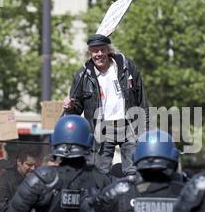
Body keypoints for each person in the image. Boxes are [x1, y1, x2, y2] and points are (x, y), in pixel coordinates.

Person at [62, 34, 149, 178]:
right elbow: (76, 110)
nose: (99, 54)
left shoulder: (127, 67)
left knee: (133, 172)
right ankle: (102, 200)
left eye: (102, 49)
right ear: (90, 53)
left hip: (130, 126)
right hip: (101, 130)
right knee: (99, 173)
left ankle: (130, 199)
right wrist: (70, 107)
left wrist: (145, 129)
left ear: (108, 50)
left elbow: (142, 100)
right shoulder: (82, 75)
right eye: (95, 51)